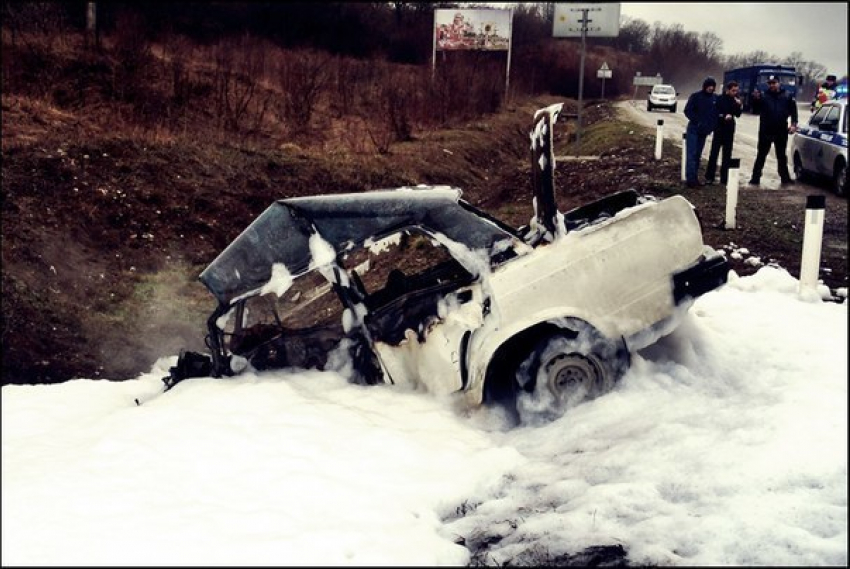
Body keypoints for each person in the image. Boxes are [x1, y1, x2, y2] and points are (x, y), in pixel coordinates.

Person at [749, 75, 798, 186]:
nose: (772, 85)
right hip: (766, 130)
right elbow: (755, 111)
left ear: (779, 83)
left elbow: (794, 112)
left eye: (774, 83)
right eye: (770, 83)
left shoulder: (787, 96)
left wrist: (794, 124)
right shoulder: (763, 96)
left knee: (781, 155)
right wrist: (755, 100)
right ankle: (755, 178)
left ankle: (785, 178)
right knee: (761, 155)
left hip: (781, 130)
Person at [705, 80, 743, 185]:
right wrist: (723, 115)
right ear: (728, 90)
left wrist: (739, 105)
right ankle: (709, 176)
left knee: (727, 154)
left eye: (736, 91)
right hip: (719, 129)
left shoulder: (735, 100)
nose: (735, 93)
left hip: (729, 130)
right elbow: (715, 113)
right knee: (714, 153)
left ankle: (724, 178)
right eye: (733, 90)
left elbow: (738, 114)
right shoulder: (719, 99)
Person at [683, 76, 719, 187]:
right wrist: (696, 121)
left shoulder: (715, 99)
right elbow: (687, 110)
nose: (710, 88)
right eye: (709, 86)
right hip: (694, 129)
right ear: (705, 86)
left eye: (712, 86)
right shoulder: (696, 96)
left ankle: (695, 178)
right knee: (691, 154)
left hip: (704, 131)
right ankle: (691, 179)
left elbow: (716, 114)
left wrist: (711, 126)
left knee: (698, 155)